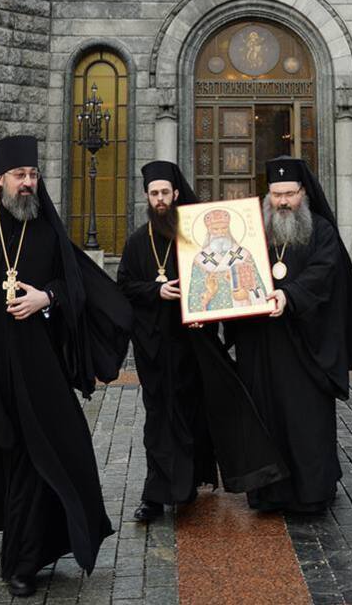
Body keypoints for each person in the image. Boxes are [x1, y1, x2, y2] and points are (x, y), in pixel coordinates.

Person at [0, 135, 133, 597]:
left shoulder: (46, 231)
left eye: (33, 176)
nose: (28, 184)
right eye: (19, 176)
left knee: (40, 456)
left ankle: (23, 562)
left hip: (37, 370)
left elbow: (83, 288)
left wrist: (48, 298)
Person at [117, 161, 286, 522]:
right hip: (157, 347)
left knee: (197, 414)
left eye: (165, 193)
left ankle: (191, 482)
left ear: (176, 194)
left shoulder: (198, 241)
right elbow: (125, 286)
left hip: (197, 345)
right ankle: (157, 493)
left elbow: (227, 285)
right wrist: (156, 289)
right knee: (160, 420)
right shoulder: (136, 242)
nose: (160, 200)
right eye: (154, 194)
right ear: (147, 197)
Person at [227, 156, 352, 514]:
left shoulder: (321, 230)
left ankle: (312, 493)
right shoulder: (252, 232)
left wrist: (289, 296)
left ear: (303, 193)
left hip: (306, 347)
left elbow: (324, 273)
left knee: (306, 422)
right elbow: (231, 273)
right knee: (265, 420)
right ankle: (268, 494)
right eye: (276, 194)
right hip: (260, 346)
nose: (282, 202)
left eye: (289, 194)